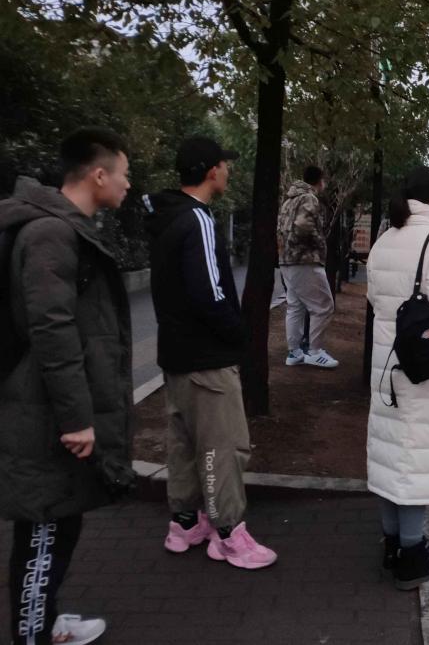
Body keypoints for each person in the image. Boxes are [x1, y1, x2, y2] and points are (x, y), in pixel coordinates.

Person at [0, 127, 134, 645]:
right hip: (44, 417)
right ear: (98, 175)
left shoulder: (64, 230)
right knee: (44, 531)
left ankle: (46, 622)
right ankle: (33, 633)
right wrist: (78, 418)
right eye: (124, 174)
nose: (127, 184)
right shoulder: (50, 235)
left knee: (60, 522)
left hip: (49, 412)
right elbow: (52, 331)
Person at [144, 137, 277, 570]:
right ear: (210, 170)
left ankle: (185, 523)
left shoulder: (166, 218)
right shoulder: (198, 220)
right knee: (222, 447)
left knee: (184, 445)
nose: (228, 170)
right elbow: (211, 293)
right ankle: (228, 534)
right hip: (208, 358)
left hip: (176, 355)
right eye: (224, 163)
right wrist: (238, 336)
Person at [366, 165, 429, 590]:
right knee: (415, 456)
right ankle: (412, 556)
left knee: (391, 453)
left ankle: (393, 545)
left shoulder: (385, 238)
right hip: (422, 363)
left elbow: (375, 298)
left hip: (386, 361)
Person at [277, 165, 338, 369]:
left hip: (286, 259)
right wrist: (319, 243)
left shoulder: (289, 200)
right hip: (305, 260)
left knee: (295, 306)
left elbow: (280, 228)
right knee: (323, 306)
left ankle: (294, 352)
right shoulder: (309, 198)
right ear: (319, 180)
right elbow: (304, 227)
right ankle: (315, 351)